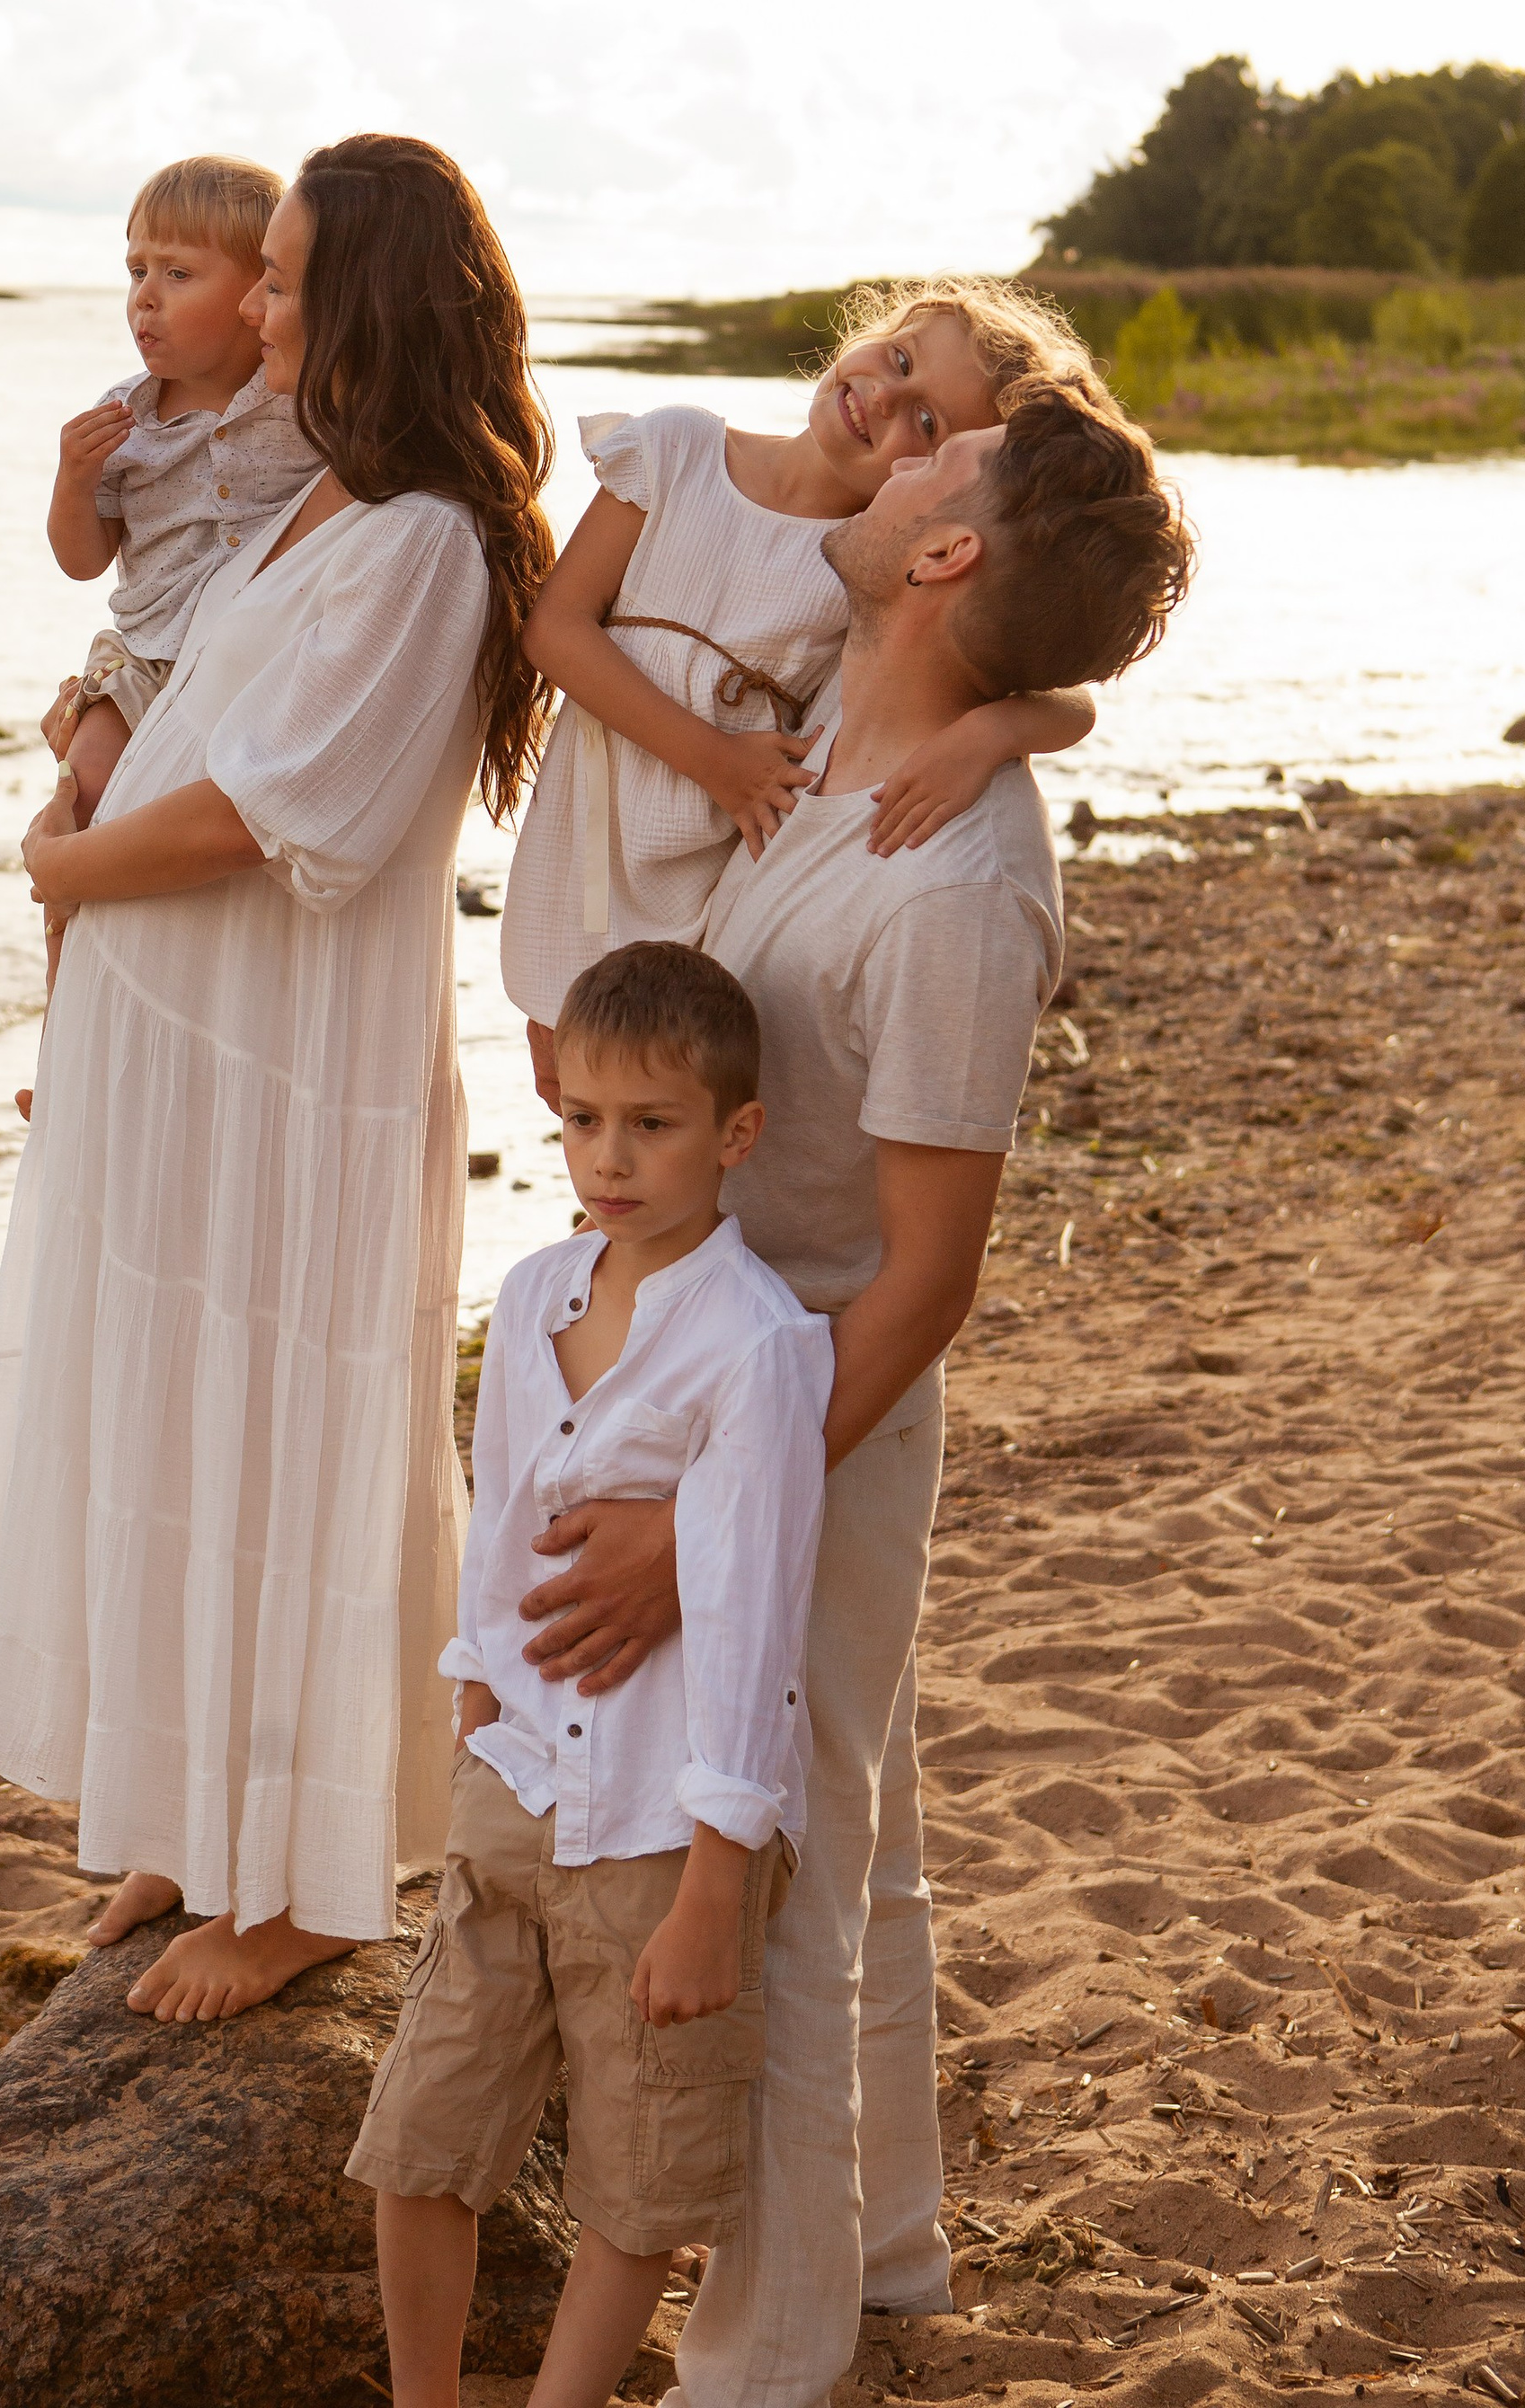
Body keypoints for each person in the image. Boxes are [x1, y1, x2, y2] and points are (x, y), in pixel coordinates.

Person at [510, 376, 1194, 2406]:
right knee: (850, 1830)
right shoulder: (839, 758)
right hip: (720, 1386)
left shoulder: (955, 887)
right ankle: (882, 2250)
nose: (886, 460)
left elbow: (929, 1278)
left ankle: (765, 2356)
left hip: (805, 1414)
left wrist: (697, 1521)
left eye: (932, 461)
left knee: (780, 1874)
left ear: (943, 549)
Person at [0, 135, 554, 2024]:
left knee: (289, 1445)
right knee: (175, 1432)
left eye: (284, 278)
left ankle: (299, 1890)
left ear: (362, 299)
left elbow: (272, 812)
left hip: (282, 1084)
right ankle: (202, 1823)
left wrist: (59, 867)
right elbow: (176, 697)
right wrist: (81, 755)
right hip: (182, 1072)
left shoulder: (425, 541)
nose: (257, 306)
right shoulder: (309, 505)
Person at [349, 943, 835, 2408]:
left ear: (734, 1134)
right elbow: (499, 1515)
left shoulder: (758, 1346)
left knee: (638, 2182)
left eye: (653, 1125)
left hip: (656, 1828)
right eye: (583, 1121)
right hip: (516, 1794)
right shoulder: (538, 1288)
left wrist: (710, 1889)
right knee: (420, 2139)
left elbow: (752, 1622)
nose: (610, 1159)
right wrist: (475, 1703)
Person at [502, 282, 1102, 1111]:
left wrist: (992, 732)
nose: (885, 397)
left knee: (666, 1109)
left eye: (926, 424)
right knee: (577, 1097)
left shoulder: (871, 561)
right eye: (898, 359)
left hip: (712, 894)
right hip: (590, 857)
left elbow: (1070, 701)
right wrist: (716, 761)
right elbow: (555, 631)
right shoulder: (677, 455)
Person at [40, 154, 323, 827]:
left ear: (261, 291)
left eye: (178, 273)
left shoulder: (301, 405)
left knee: (224, 811)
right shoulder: (123, 415)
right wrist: (73, 481)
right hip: (146, 659)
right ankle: (62, 926)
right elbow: (83, 560)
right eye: (137, 271)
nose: (145, 296)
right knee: (82, 795)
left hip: (261, 661)